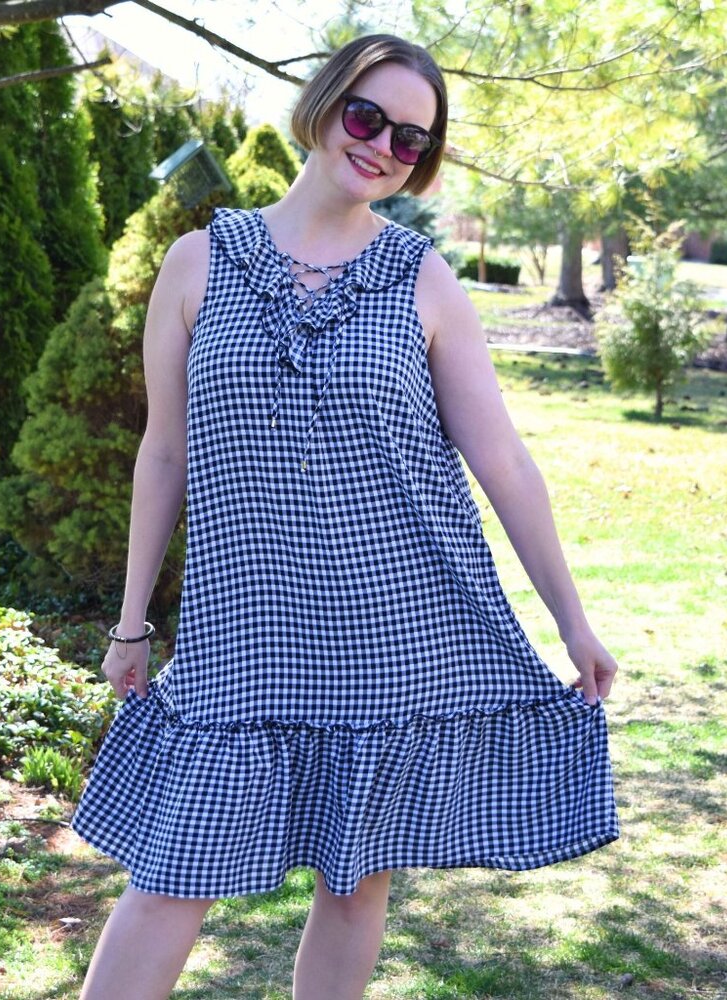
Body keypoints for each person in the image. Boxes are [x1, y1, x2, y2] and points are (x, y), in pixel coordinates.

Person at [71, 33, 619, 1000]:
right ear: (324, 107)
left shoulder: (424, 279)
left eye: (411, 140)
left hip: (397, 629)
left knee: (357, 886)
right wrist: (129, 623)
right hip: (241, 631)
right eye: (367, 117)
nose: (382, 147)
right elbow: (164, 453)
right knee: (171, 873)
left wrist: (573, 621)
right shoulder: (197, 264)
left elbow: (503, 461)